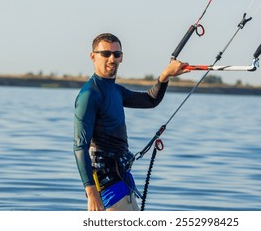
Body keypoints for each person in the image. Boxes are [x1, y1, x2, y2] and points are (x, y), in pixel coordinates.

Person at [73, 33, 189, 211]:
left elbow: (150, 100)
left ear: (121, 57)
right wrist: (92, 194)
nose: (112, 58)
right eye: (105, 54)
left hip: (122, 178)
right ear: (93, 56)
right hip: (106, 186)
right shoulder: (89, 95)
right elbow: (80, 147)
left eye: (116, 54)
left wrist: (165, 75)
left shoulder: (116, 91)